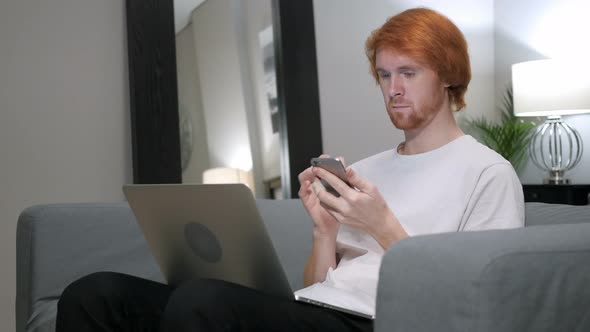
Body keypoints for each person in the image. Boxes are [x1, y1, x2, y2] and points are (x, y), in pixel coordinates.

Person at [56, 7, 524, 332]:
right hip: (317, 311)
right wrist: (324, 232)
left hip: (380, 323)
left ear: (447, 75)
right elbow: (317, 287)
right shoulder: (364, 170)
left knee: (203, 303)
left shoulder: (488, 174)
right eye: (384, 75)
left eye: (409, 72)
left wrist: (383, 227)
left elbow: (478, 303)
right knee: (96, 294)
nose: (393, 89)